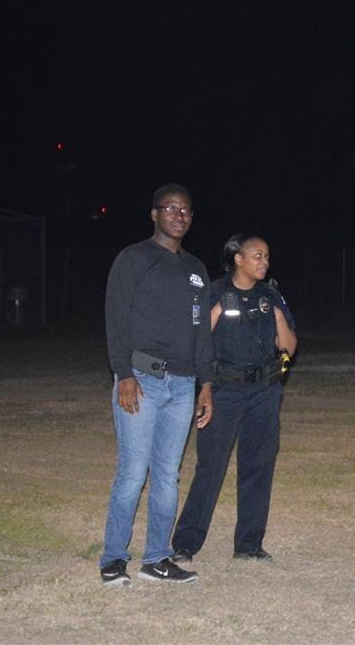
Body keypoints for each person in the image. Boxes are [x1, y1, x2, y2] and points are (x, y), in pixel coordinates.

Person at [99, 183, 214, 586]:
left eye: (186, 210)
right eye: (171, 208)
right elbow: (116, 319)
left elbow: (202, 333)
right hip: (142, 378)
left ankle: (157, 559)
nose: (179, 215)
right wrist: (124, 374)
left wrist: (206, 384)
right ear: (154, 214)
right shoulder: (133, 259)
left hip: (183, 385)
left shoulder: (197, 269)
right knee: (133, 471)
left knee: (168, 474)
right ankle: (113, 559)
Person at [171, 233, 298, 564]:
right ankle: (186, 542)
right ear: (238, 259)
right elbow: (196, 343)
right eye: (257, 255)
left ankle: (249, 544)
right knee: (210, 466)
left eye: (267, 256)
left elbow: (290, 347)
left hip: (265, 391)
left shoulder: (271, 295)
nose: (264, 262)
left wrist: (278, 315)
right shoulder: (214, 291)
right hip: (224, 390)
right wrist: (205, 387)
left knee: (258, 466)